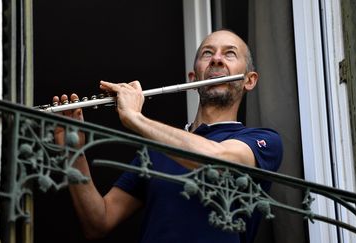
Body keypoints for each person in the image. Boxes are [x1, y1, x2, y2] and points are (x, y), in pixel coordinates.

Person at [53, 29, 283, 243]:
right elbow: (99, 222)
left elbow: (218, 160)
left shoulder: (263, 141)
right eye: (207, 53)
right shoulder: (156, 149)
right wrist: (73, 153)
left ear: (249, 80)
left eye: (229, 53)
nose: (216, 59)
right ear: (193, 78)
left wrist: (134, 117)